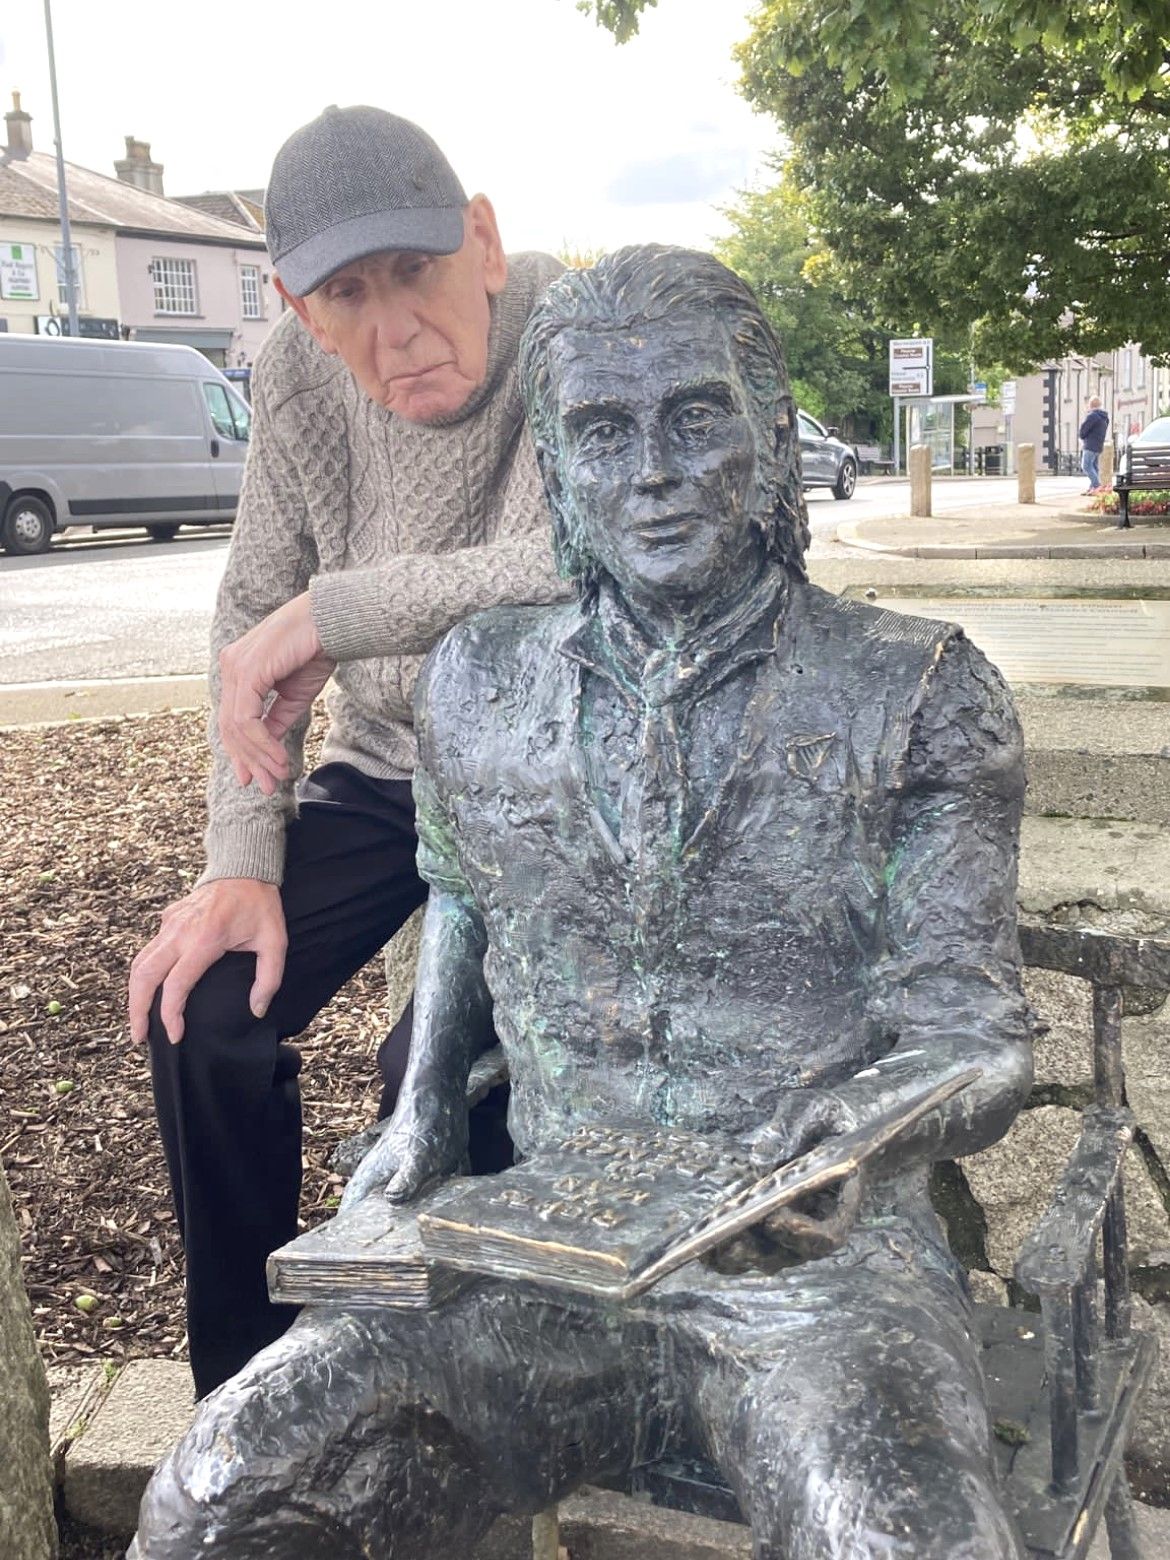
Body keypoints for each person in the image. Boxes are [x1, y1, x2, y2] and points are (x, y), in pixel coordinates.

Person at [133, 246, 1034, 1560]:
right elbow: (461, 889)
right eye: (603, 433)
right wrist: (429, 1104)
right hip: (532, 1250)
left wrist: (855, 1135)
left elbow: (978, 1037)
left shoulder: (919, 693)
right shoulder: (475, 682)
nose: (652, 470)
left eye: (694, 417)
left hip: (810, 1280)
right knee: (215, 1496)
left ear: (771, 435)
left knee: (904, 1543)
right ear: (553, 467)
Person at [126, 104, 566, 1399]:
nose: (394, 330)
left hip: (539, 778)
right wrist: (239, 861)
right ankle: (249, 1405)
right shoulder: (300, 381)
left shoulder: (569, 333)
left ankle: (453, 1409)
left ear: (480, 243)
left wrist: (340, 612)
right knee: (201, 1014)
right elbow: (247, 607)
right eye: (345, 296)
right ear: (293, 306)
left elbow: (568, 567)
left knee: (433, 1082)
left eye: (417, 274)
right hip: (382, 770)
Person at [1079, 395, 1110, 491]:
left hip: (1090, 445)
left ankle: (1097, 486)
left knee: (1086, 466)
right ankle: (1092, 487)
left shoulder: (1092, 416)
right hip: (1098, 445)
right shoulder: (1104, 417)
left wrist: (1081, 435)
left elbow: (1083, 431)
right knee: (1094, 467)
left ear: (1090, 405)